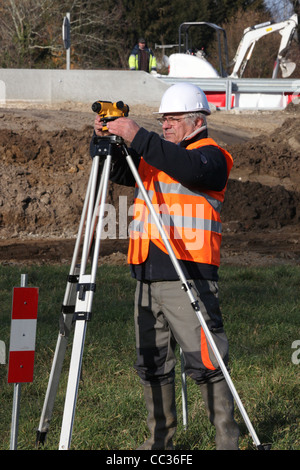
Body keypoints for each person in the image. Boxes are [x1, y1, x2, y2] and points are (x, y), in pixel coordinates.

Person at [90, 82, 240, 450]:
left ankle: (227, 440)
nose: (165, 125)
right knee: (152, 363)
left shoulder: (211, 156)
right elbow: (118, 171)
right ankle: (160, 441)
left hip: (188, 272)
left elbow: (185, 167)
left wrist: (137, 134)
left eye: (172, 119)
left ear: (196, 121)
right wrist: (105, 139)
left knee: (205, 360)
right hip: (146, 272)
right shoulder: (157, 154)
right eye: (162, 120)